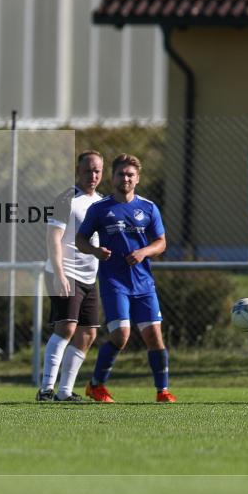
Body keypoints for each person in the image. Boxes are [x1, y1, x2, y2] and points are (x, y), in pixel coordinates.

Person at [76, 153, 176, 403]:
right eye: (121, 174)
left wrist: (144, 252)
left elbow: (161, 242)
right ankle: (96, 385)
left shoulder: (149, 208)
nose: (126, 178)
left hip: (143, 283)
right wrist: (96, 251)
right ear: (113, 177)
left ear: (138, 179)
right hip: (114, 282)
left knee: (154, 335)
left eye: (131, 174)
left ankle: (162, 391)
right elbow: (80, 240)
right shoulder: (100, 209)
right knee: (121, 334)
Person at [37, 151, 103, 403]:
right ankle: (45, 389)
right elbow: (53, 238)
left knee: (88, 333)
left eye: (97, 171)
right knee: (66, 327)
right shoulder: (66, 199)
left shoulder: (101, 202)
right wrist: (60, 275)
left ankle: (64, 391)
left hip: (89, 277)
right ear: (78, 171)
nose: (92, 176)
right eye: (88, 171)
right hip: (65, 272)